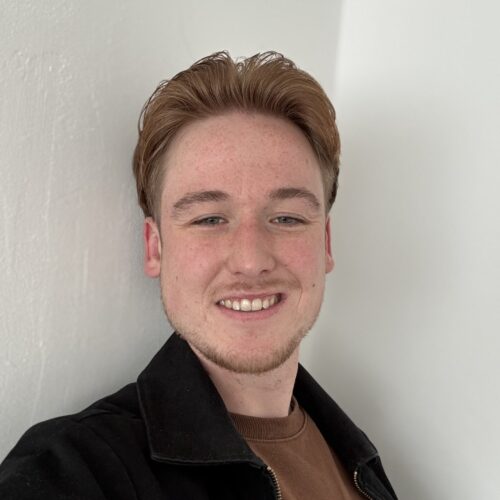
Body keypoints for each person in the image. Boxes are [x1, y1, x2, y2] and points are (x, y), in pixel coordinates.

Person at [0, 51, 397, 499]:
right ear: (155, 247)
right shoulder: (76, 470)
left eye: (286, 218)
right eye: (209, 219)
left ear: (324, 243)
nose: (251, 260)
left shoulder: (357, 457)